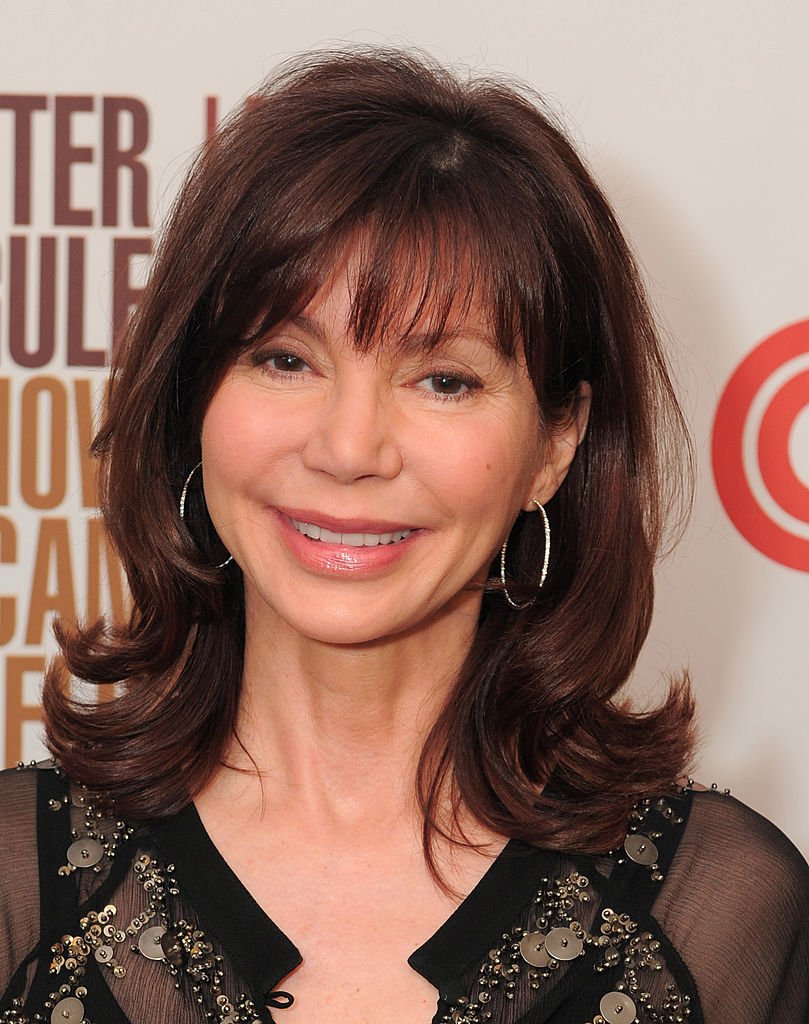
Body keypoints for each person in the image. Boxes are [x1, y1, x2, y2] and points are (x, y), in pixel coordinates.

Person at [1, 47, 807, 1024]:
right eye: (284, 357)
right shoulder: (18, 885)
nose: (348, 449)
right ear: (192, 401)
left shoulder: (716, 908)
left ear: (553, 445)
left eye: (444, 380)